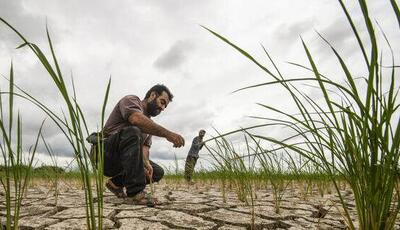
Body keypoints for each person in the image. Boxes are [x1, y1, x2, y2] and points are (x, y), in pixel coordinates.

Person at [98, 84, 185, 205]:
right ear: (152, 95)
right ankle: (136, 193)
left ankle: (115, 183)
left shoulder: (149, 125)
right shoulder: (131, 100)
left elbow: (144, 149)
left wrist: (146, 163)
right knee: (133, 131)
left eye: (165, 106)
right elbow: (136, 119)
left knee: (157, 171)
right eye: (162, 102)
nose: (163, 108)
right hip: (104, 154)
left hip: (125, 160)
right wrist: (167, 134)